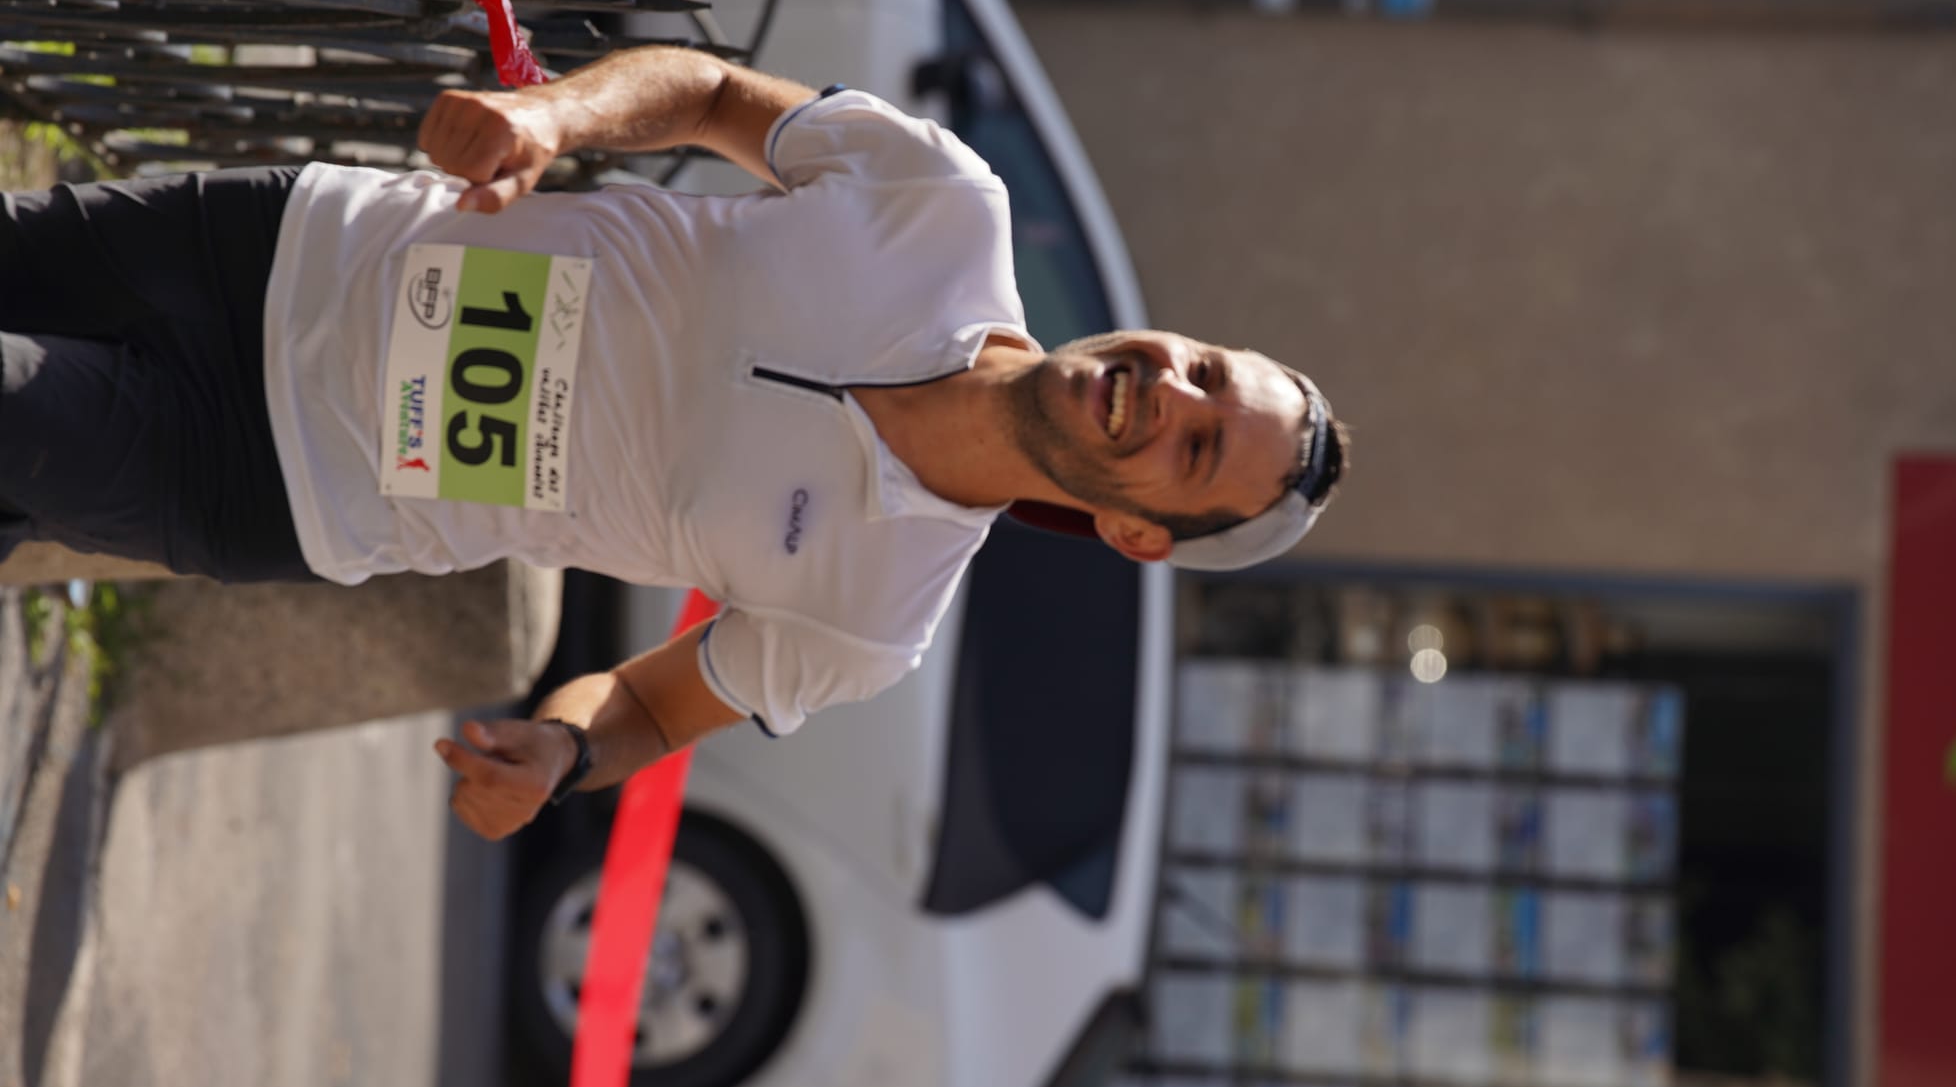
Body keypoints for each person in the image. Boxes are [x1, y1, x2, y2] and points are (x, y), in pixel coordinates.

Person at [0, 45, 1347, 840]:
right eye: (1207, 370)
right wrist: (553, 117)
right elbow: (706, 92)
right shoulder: (947, 205)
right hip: (278, 247)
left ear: (1133, 533)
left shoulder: (872, 618)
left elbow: (649, 702)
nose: (1169, 391)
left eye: (1195, 444)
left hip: (280, 476)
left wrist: (562, 753)